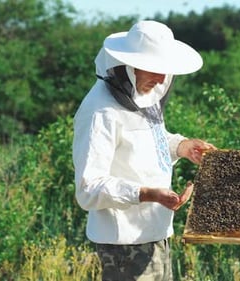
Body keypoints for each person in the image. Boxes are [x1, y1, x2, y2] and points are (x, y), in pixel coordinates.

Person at [72, 20, 216, 281]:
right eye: (154, 69)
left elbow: (147, 141)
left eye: (165, 70)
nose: (161, 79)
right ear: (128, 65)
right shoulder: (100, 112)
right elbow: (88, 189)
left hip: (157, 235)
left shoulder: (142, 92)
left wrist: (182, 146)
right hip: (124, 246)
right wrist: (147, 194)